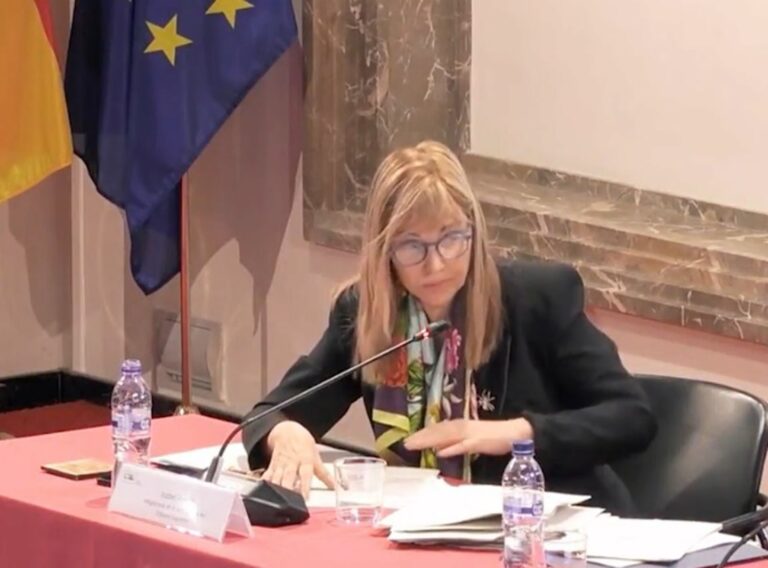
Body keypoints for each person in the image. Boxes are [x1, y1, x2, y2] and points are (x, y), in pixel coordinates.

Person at [243, 140, 657, 515]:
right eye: (412, 246)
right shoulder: (367, 313)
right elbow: (269, 414)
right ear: (385, 251)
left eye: (451, 239)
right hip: (429, 527)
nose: (436, 264)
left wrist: (513, 434)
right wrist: (286, 432)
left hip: (558, 534)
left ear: (473, 233)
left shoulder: (537, 298)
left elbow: (632, 416)